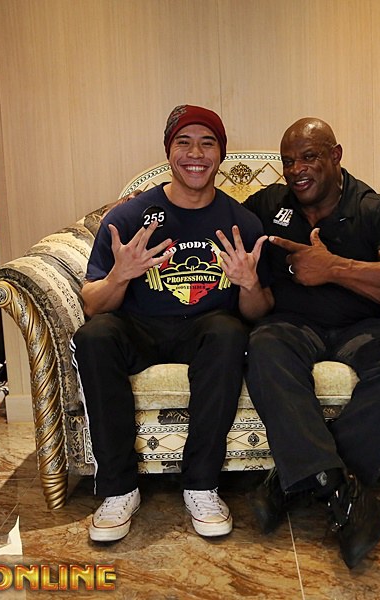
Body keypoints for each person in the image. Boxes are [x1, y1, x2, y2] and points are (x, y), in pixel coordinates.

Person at [72, 104, 272, 542]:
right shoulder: (128, 218)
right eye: (184, 142)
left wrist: (249, 283)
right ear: (168, 151)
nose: (195, 153)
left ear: (221, 153)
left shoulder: (241, 222)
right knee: (94, 337)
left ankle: (201, 486)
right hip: (138, 325)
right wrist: (120, 275)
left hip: (205, 327)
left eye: (207, 143)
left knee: (229, 332)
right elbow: (92, 304)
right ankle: (119, 490)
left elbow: (258, 312)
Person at [242, 118, 380, 569]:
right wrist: (144, 205)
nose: (296, 170)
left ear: (336, 156)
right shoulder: (268, 204)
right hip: (290, 325)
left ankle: (290, 481)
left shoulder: (374, 208)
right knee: (263, 348)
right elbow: (209, 214)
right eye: (288, 161)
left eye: (309, 157)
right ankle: (339, 489)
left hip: (361, 327)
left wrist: (334, 268)